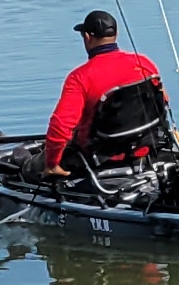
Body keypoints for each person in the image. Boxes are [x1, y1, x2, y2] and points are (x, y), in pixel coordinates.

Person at [43, 10, 169, 175]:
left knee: (30, 165)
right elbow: (163, 101)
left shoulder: (80, 78)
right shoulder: (144, 63)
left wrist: (52, 164)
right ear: (116, 33)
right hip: (145, 149)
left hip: (98, 158)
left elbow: (60, 127)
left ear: (87, 38)